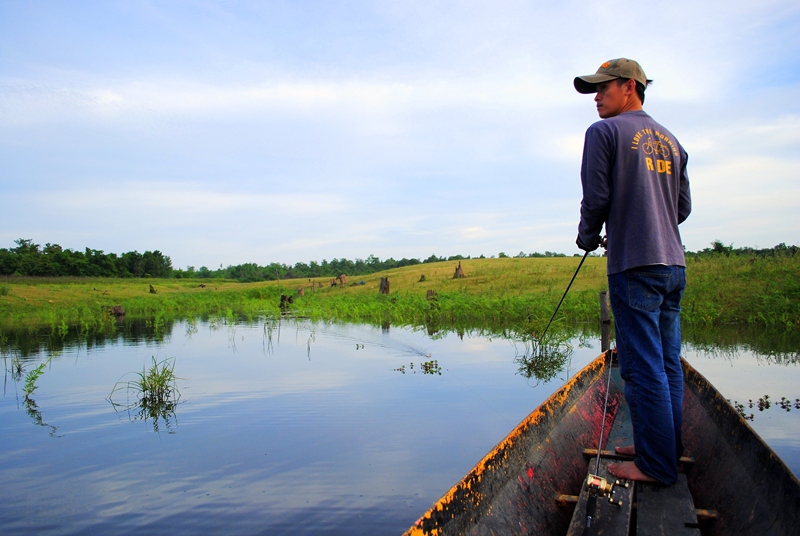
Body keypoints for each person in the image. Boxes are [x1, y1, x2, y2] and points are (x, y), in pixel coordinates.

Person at [573, 58, 692, 485]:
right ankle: (660, 448)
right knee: (666, 363)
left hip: (635, 266)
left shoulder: (603, 133)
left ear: (630, 87)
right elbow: (681, 209)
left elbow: (596, 198)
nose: (596, 97)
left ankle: (656, 466)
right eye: (593, 91)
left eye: (603, 88)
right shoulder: (673, 142)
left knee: (642, 368)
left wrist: (588, 236)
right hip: (673, 265)